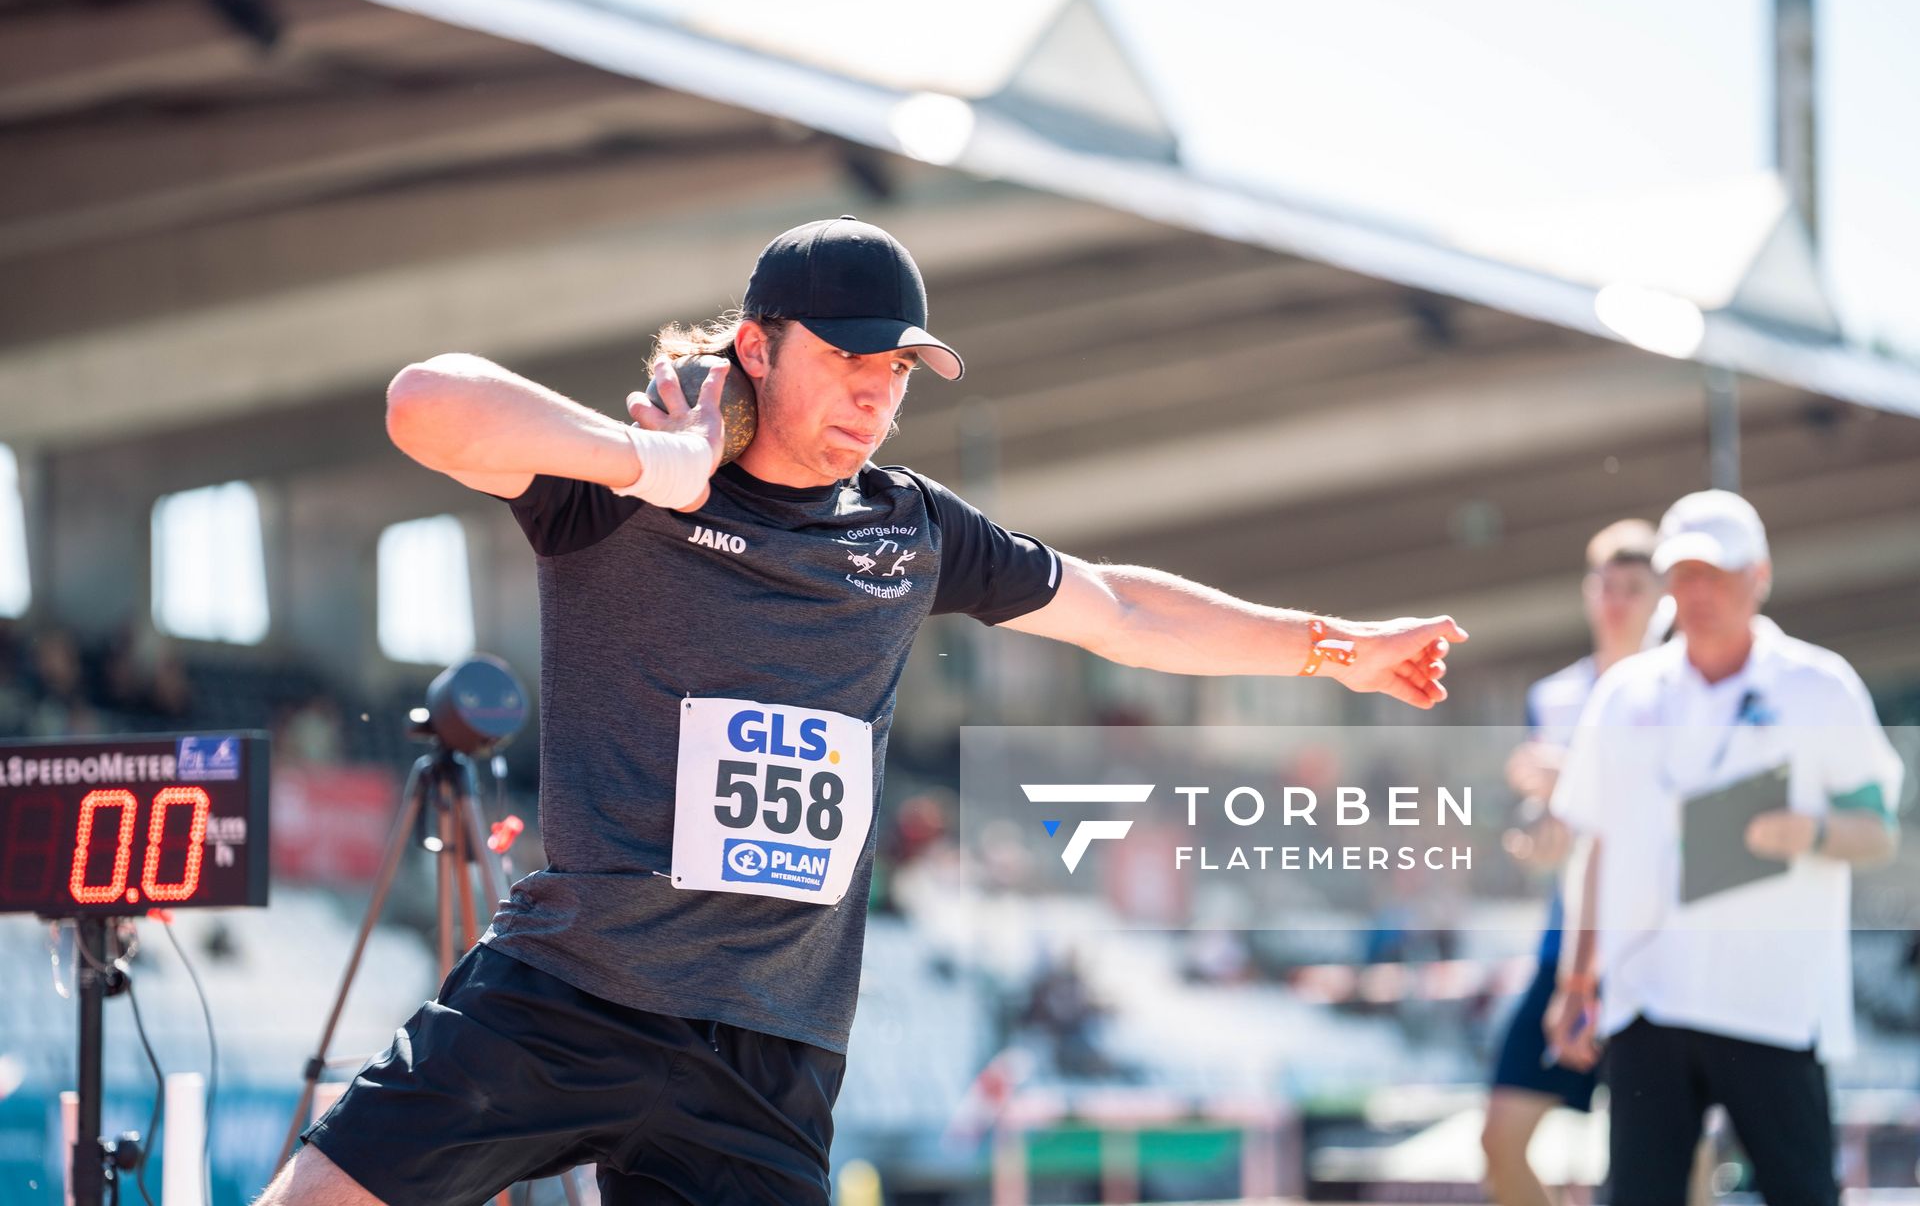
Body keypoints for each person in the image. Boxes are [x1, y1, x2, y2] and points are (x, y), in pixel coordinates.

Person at [257, 215, 1467, 1206]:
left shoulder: (912, 527)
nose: (875, 398)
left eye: (895, 373)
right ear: (758, 346)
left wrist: (1333, 648)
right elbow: (426, 401)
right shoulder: (624, 490)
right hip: (572, 992)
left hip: (769, 1058)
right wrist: (650, 467)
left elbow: (1119, 610)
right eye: (848, 361)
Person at [1546, 489, 1903, 1206]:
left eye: (1716, 573)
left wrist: (1815, 833)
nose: (1698, 592)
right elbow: (1598, 847)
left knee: (1802, 1194)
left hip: (1772, 1003)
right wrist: (1576, 981)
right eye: (1683, 574)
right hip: (1648, 1000)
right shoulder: (1624, 694)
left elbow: (1881, 832)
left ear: (1759, 576)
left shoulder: (1819, 687)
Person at [1481, 519, 1661, 1206]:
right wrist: (1535, 836)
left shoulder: (1680, 691)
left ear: (1659, 599)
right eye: (1604, 586)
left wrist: (1576, 777)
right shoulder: (1553, 697)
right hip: (1566, 948)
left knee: (1675, 1158)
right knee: (1501, 1143)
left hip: (1654, 951)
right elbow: (1550, 824)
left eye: (1632, 588)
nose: (1615, 601)